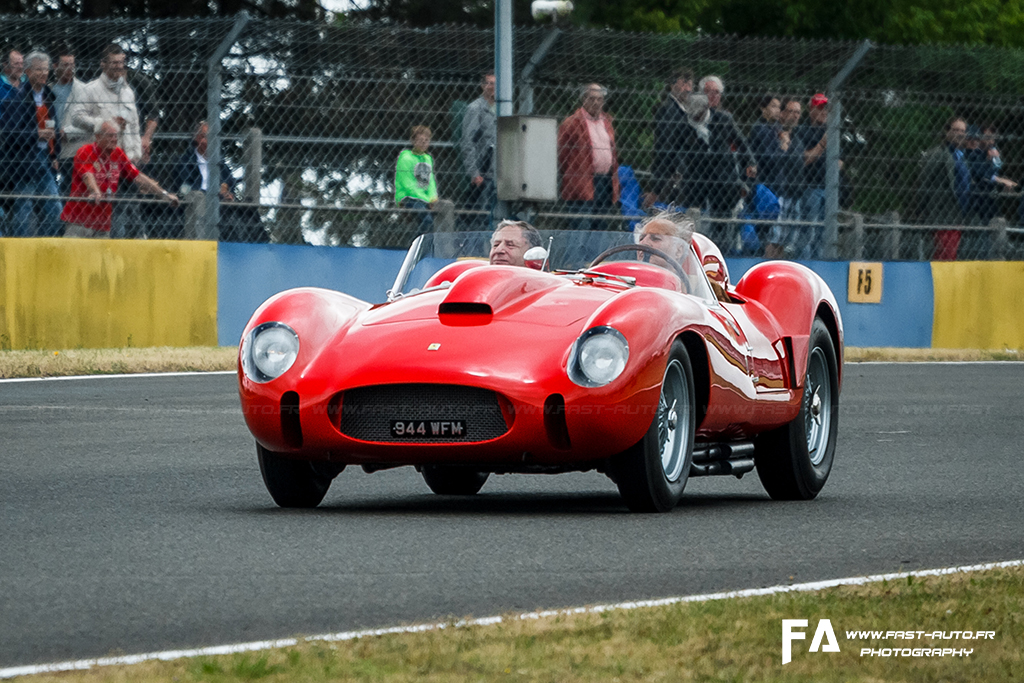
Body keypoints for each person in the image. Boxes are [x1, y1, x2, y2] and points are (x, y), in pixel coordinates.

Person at [70, 44, 148, 238]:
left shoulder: (128, 92)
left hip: (127, 160)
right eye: (114, 63)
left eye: (121, 62)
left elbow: (134, 125)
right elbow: (76, 117)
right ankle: (112, 245)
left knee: (133, 213)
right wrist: (103, 124)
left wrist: (137, 154)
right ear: (103, 64)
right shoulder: (90, 90)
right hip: (103, 163)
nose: (118, 66)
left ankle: (134, 245)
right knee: (113, 215)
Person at [60, 120, 178, 238]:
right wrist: (95, 191)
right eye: (110, 136)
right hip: (79, 221)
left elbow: (138, 177)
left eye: (116, 136)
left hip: (103, 223)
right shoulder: (85, 151)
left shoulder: (118, 153)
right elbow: (87, 175)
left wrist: (164, 194)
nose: (114, 139)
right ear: (98, 136)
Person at [5, 51, 62, 236]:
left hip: (45, 159)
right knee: (24, 207)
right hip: (25, 160)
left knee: (55, 208)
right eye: (38, 69)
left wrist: (54, 154)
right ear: (28, 72)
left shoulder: (49, 97)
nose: (43, 73)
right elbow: (10, 133)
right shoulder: (17, 98)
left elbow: (53, 127)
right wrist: (36, 134)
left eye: (45, 69)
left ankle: (45, 244)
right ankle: (19, 246)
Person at [557, 83, 620, 230]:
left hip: (605, 181)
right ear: (583, 99)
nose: (596, 103)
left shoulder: (607, 122)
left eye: (599, 99)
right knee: (582, 227)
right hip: (581, 181)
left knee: (601, 226)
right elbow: (562, 154)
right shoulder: (572, 123)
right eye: (591, 99)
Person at [915, 116, 970, 260]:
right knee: (945, 256)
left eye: (962, 131)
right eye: (956, 130)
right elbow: (924, 182)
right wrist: (922, 209)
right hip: (942, 214)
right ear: (947, 131)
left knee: (950, 255)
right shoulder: (937, 154)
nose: (960, 134)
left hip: (958, 214)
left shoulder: (962, 156)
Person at [790, 92, 836, 259]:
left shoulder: (832, 131)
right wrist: (822, 144)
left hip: (829, 188)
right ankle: (805, 261)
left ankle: (822, 261)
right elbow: (804, 160)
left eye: (826, 109)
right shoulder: (802, 131)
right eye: (820, 108)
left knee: (825, 233)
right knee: (808, 230)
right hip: (810, 187)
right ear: (811, 109)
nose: (824, 112)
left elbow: (840, 162)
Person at [765, 97, 806, 258]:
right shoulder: (773, 134)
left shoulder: (797, 137)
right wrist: (783, 146)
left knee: (788, 238)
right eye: (791, 111)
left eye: (798, 112)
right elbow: (771, 161)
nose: (795, 116)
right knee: (775, 235)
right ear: (782, 113)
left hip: (795, 192)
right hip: (778, 191)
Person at [395, 125, 454, 232]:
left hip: (425, 198)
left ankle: (442, 239)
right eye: (420, 140)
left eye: (426, 140)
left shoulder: (428, 158)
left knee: (446, 208)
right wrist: (425, 200)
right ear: (413, 141)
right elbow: (407, 184)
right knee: (426, 219)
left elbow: (431, 181)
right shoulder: (405, 158)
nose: (423, 143)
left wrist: (433, 198)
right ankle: (421, 241)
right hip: (409, 196)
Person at [649, 68, 695, 207]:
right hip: (671, 177)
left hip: (679, 175)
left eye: (690, 84)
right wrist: (658, 187)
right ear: (672, 85)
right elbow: (665, 148)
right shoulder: (669, 111)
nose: (688, 89)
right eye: (683, 84)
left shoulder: (683, 111)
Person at [50, 45, 87, 197]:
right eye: (65, 65)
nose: (70, 69)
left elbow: (90, 123)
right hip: (53, 150)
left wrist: (66, 132)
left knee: (74, 194)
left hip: (76, 150)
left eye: (72, 65)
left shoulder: (84, 90)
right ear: (55, 66)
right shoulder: (48, 90)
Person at [461, 71, 496, 230]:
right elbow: (468, 141)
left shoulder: (503, 108)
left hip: (499, 170)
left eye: (495, 84)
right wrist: (474, 172)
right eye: (489, 83)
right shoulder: (475, 109)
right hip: (483, 170)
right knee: (480, 214)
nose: (492, 87)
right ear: (483, 86)